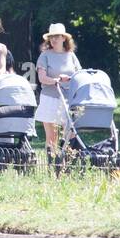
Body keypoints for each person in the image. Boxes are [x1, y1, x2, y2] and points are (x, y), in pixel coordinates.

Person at [36, 23, 81, 161]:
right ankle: (52, 166)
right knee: (52, 136)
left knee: (70, 133)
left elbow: (80, 75)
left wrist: (69, 79)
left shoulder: (71, 55)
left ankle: (68, 163)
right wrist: (56, 80)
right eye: (51, 37)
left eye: (57, 36)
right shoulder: (45, 56)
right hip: (50, 98)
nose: (54, 39)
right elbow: (42, 78)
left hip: (68, 100)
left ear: (63, 38)